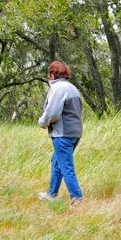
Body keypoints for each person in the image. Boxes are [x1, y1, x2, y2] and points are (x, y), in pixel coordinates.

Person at [37, 60, 83, 203]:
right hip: (75, 133)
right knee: (57, 163)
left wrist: (43, 122)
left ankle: (77, 198)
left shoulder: (58, 88)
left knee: (66, 167)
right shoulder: (72, 87)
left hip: (63, 134)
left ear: (52, 74)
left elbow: (53, 113)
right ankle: (51, 194)